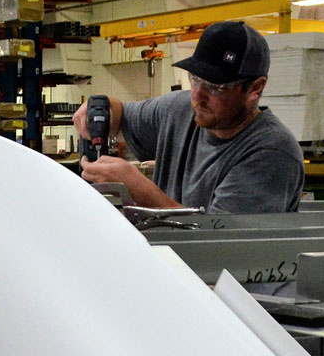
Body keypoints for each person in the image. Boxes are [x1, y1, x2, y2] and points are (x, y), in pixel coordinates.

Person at [73, 21, 304, 214]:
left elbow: (221, 243)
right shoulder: (180, 110)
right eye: (195, 79)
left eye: (215, 87)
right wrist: (101, 107)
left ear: (255, 88)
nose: (198, 96)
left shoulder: (272, 153)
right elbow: (121, 114)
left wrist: (136, 189)